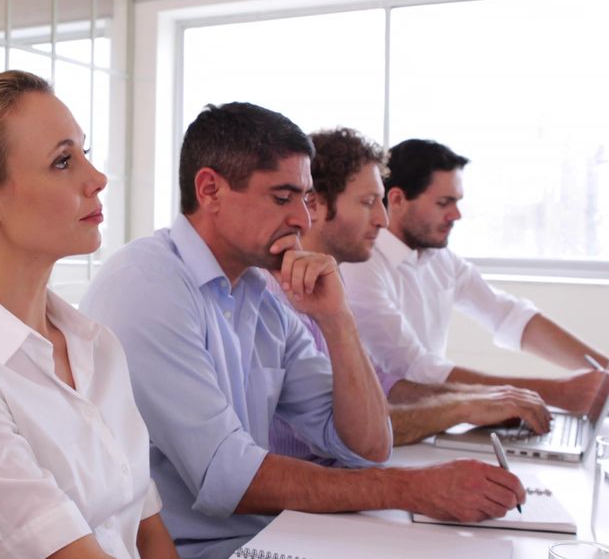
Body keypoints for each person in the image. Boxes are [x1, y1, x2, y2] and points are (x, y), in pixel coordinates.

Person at [80, 102, 524, 559]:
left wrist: (337, 320)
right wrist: (412, 489)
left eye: (304, 197)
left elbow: (369, 446)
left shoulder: (261, 294)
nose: (302, 219)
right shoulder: (148, 285)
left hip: (269, 539)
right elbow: (228, 477)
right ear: (210, 190)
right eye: (282, 197)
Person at [0, 70, 178, 559]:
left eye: (84, 153)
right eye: (62, 161)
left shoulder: (96, 345)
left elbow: (145, 525)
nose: (97, 179)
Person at [272, 127, 551, 448]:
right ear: (316, 205)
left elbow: (382, 385)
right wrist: (463, 407)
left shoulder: (330, 282)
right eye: (368, 202)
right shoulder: (280, 298)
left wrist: (484, 396)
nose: (383, 220)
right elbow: (347, 427)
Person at [340, 138, 609, 414]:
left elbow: (508, 315)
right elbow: (415, 370)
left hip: (434, 414)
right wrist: (557, 393)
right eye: (444, 203)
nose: (456, 215)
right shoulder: (361, 266)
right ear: (398, 200)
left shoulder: (437, 258)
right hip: (392, 424)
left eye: (457, 202)